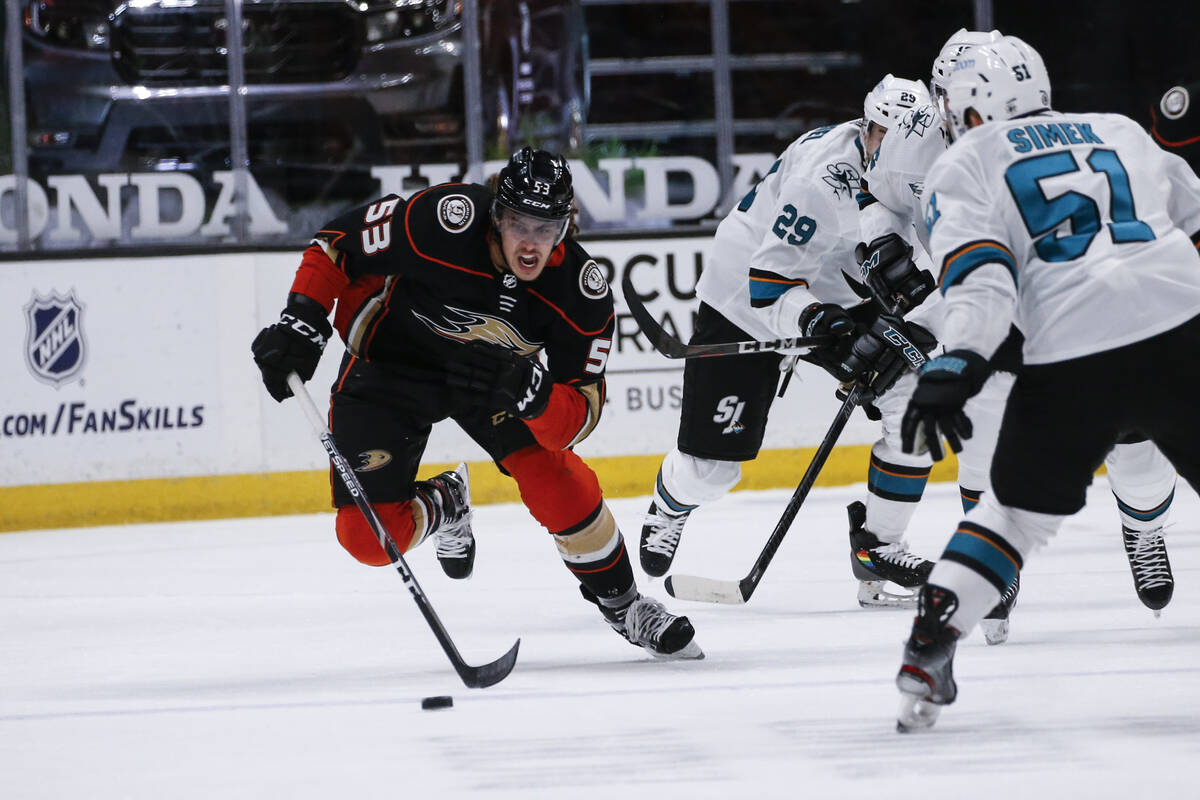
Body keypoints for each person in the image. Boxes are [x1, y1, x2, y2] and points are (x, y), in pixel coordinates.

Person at [251, 147, 702, 660]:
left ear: (566, 227)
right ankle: (446, 502)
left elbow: (580, 414)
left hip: (492, 387)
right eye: (517, 223)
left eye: (545, 227)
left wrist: (535, 397)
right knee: (367, 539)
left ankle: (625, 606)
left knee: (554, 479)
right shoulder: (443, 221)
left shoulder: (580, 292)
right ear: (495, 216)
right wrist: (302, 318)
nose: (529, 244)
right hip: (391, 366)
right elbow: (336, 245)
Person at [892, 36, 1200, 731]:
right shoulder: (1119, 131)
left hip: (1073, 351)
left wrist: (956, 363)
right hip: (1183, 323)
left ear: (972, 102)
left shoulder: (963, 162)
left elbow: (984, 281)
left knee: (1014, 516)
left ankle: (931, 642)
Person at [637, 74, 940, 608]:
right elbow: (768, 284)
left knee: (912, 401)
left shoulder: (916, 167)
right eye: (881, 136)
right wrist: (819, 324)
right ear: (869, 129)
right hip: (747, 297)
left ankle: (878, 547)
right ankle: (670, 504)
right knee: (712, 471)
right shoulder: (825, 180)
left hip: (834, 289)